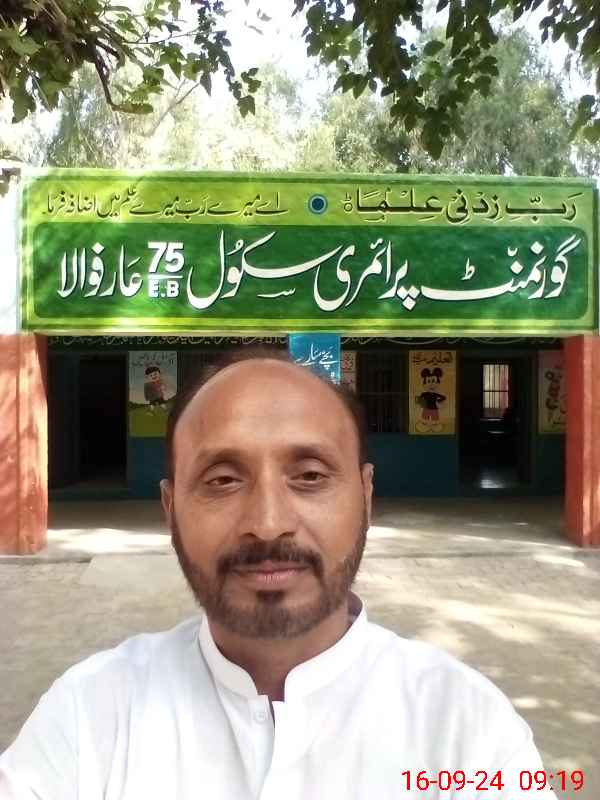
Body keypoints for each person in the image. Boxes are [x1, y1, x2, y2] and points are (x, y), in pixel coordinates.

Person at [0, 346, 558, 799]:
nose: (268, 525)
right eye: (222, 480)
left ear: (365, 496)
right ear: (170, 509)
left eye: (310, 476)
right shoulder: (89, 715)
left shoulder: (469, 730)